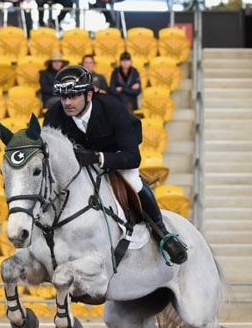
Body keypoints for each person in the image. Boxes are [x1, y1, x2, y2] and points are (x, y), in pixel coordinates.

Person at [43, 65, 188, 265]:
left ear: (89, 94)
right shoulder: (54, 116)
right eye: (63, 97)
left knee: (134, 181)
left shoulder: (113, 109)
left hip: (116, 158)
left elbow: (133, 157)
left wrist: (99, 158)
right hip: (79, 167)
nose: (67, 102)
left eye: (73, 96)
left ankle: (163, 234)